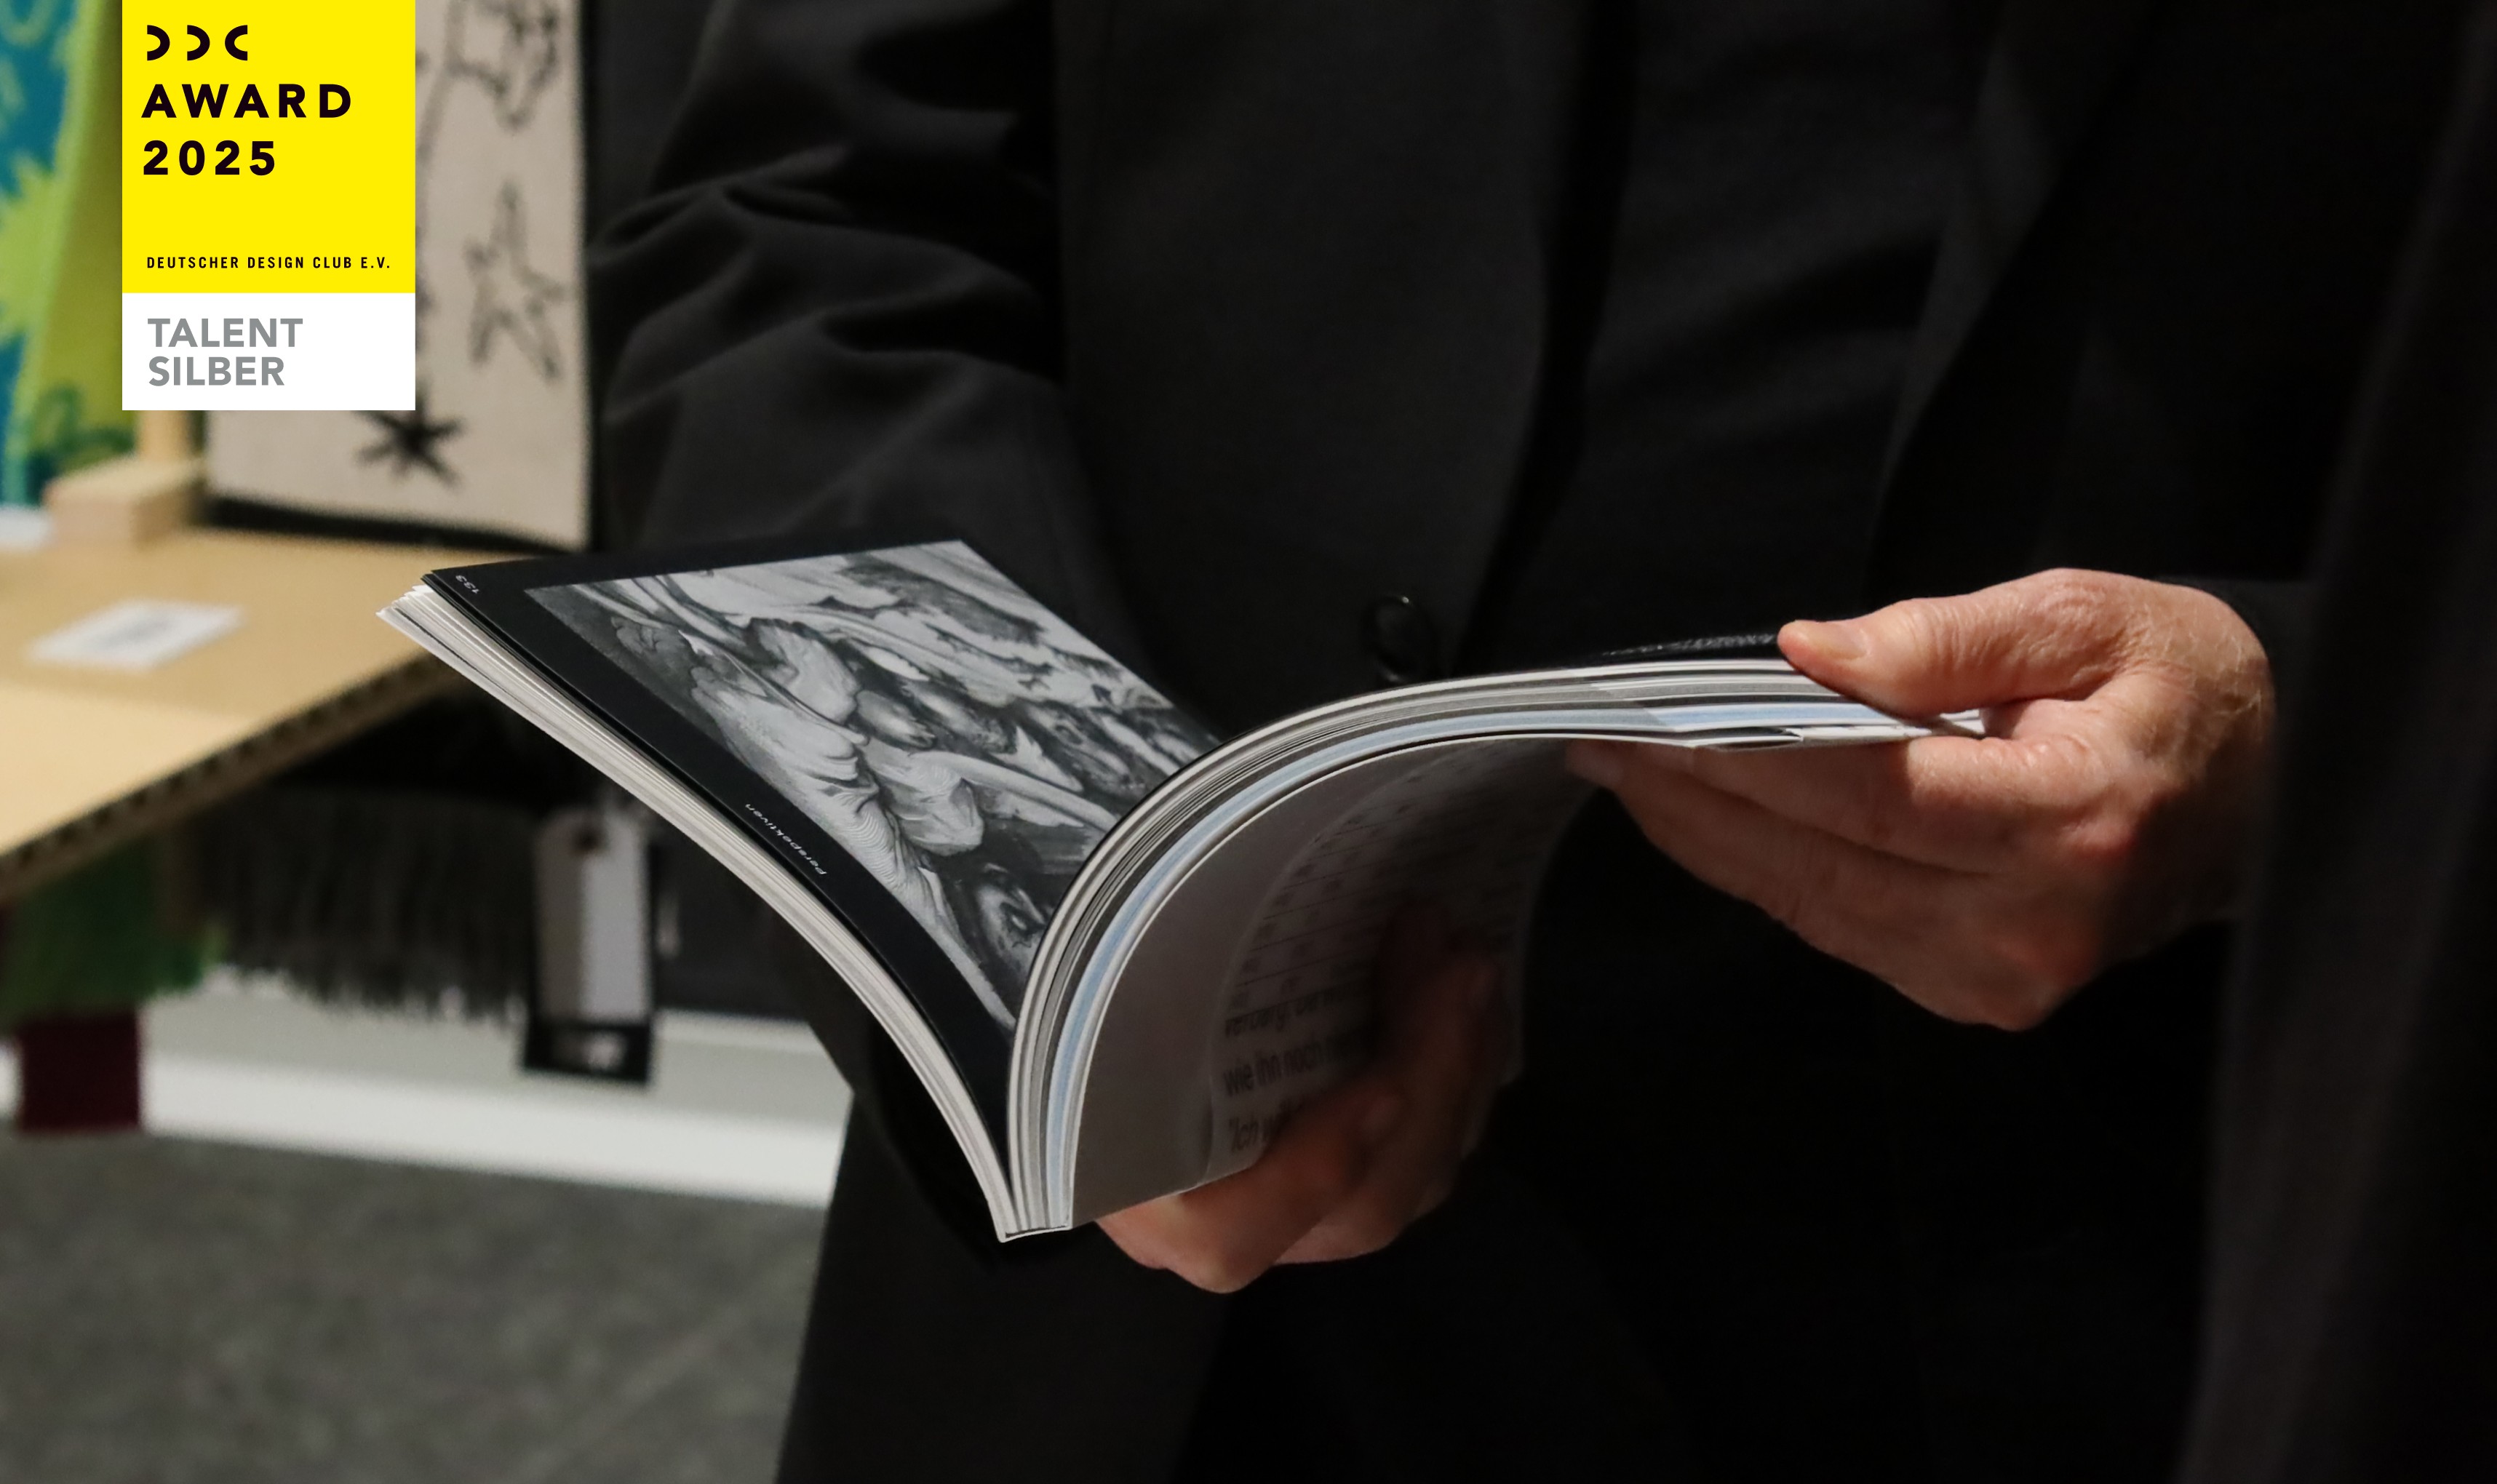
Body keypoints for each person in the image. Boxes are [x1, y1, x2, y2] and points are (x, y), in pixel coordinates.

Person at [589, 1, 2473, 1477]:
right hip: (1191, 1306)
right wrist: (1040, 943)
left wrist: (2309, 737)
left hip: (2154, 1241)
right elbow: (800, 232)